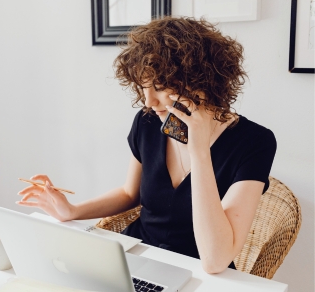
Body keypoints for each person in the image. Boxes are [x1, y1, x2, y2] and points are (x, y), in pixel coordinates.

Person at [16, 16, 276, 274]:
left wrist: (199, 152)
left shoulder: (254, 143)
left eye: (160, 86)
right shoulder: (148, 121)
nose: (148, 101)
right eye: (143, 86)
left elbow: (215, 260)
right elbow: (130, 194)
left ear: (201, 81)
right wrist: (72, 211)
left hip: (197, 275)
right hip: (135, 260)